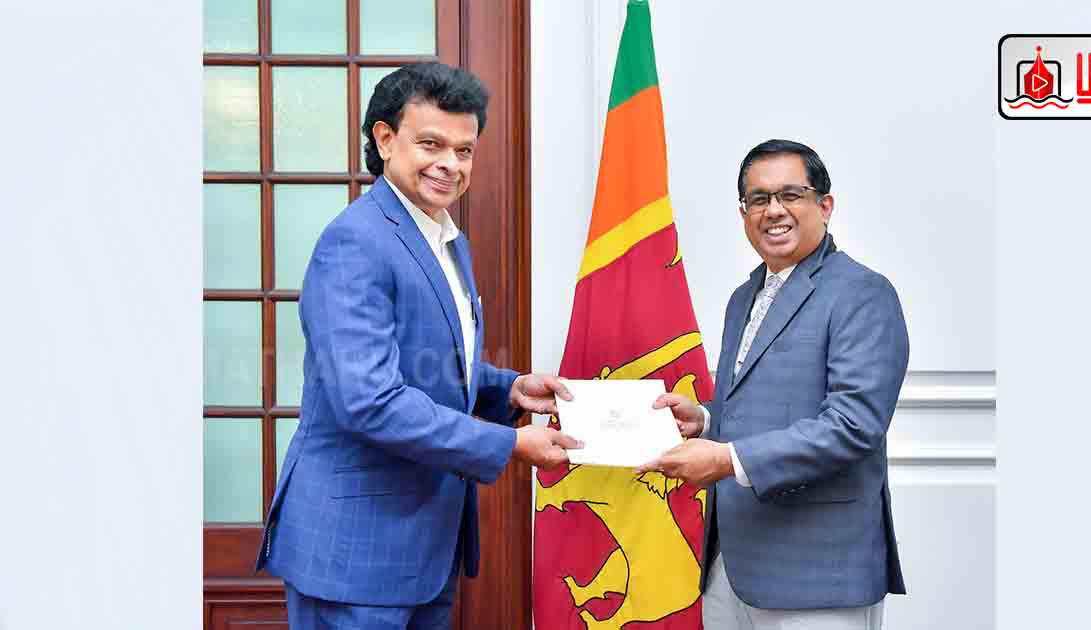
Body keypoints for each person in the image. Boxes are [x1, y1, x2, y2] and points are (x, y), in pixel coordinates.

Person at [255, 62, 580, 630]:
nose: (450, 164)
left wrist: (511, 389)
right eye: (432, 144)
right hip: (355, 555)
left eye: (465, 150)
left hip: (426, 549)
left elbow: (431, 368)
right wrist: (509, 444)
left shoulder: (446, 239)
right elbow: (370, 400)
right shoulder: (356, 241)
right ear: (385, 140)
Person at [638, 139, 908, 630]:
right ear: (744, 213)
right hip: (730, 569)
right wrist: (705, 419)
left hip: (818, 575)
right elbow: (764, 404)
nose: (774, 210)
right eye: (759, 199)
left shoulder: (863, 293)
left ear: (825, 206)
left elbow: (853, 426)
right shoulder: (744, 297)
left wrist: (725, 459)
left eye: (790, 195)